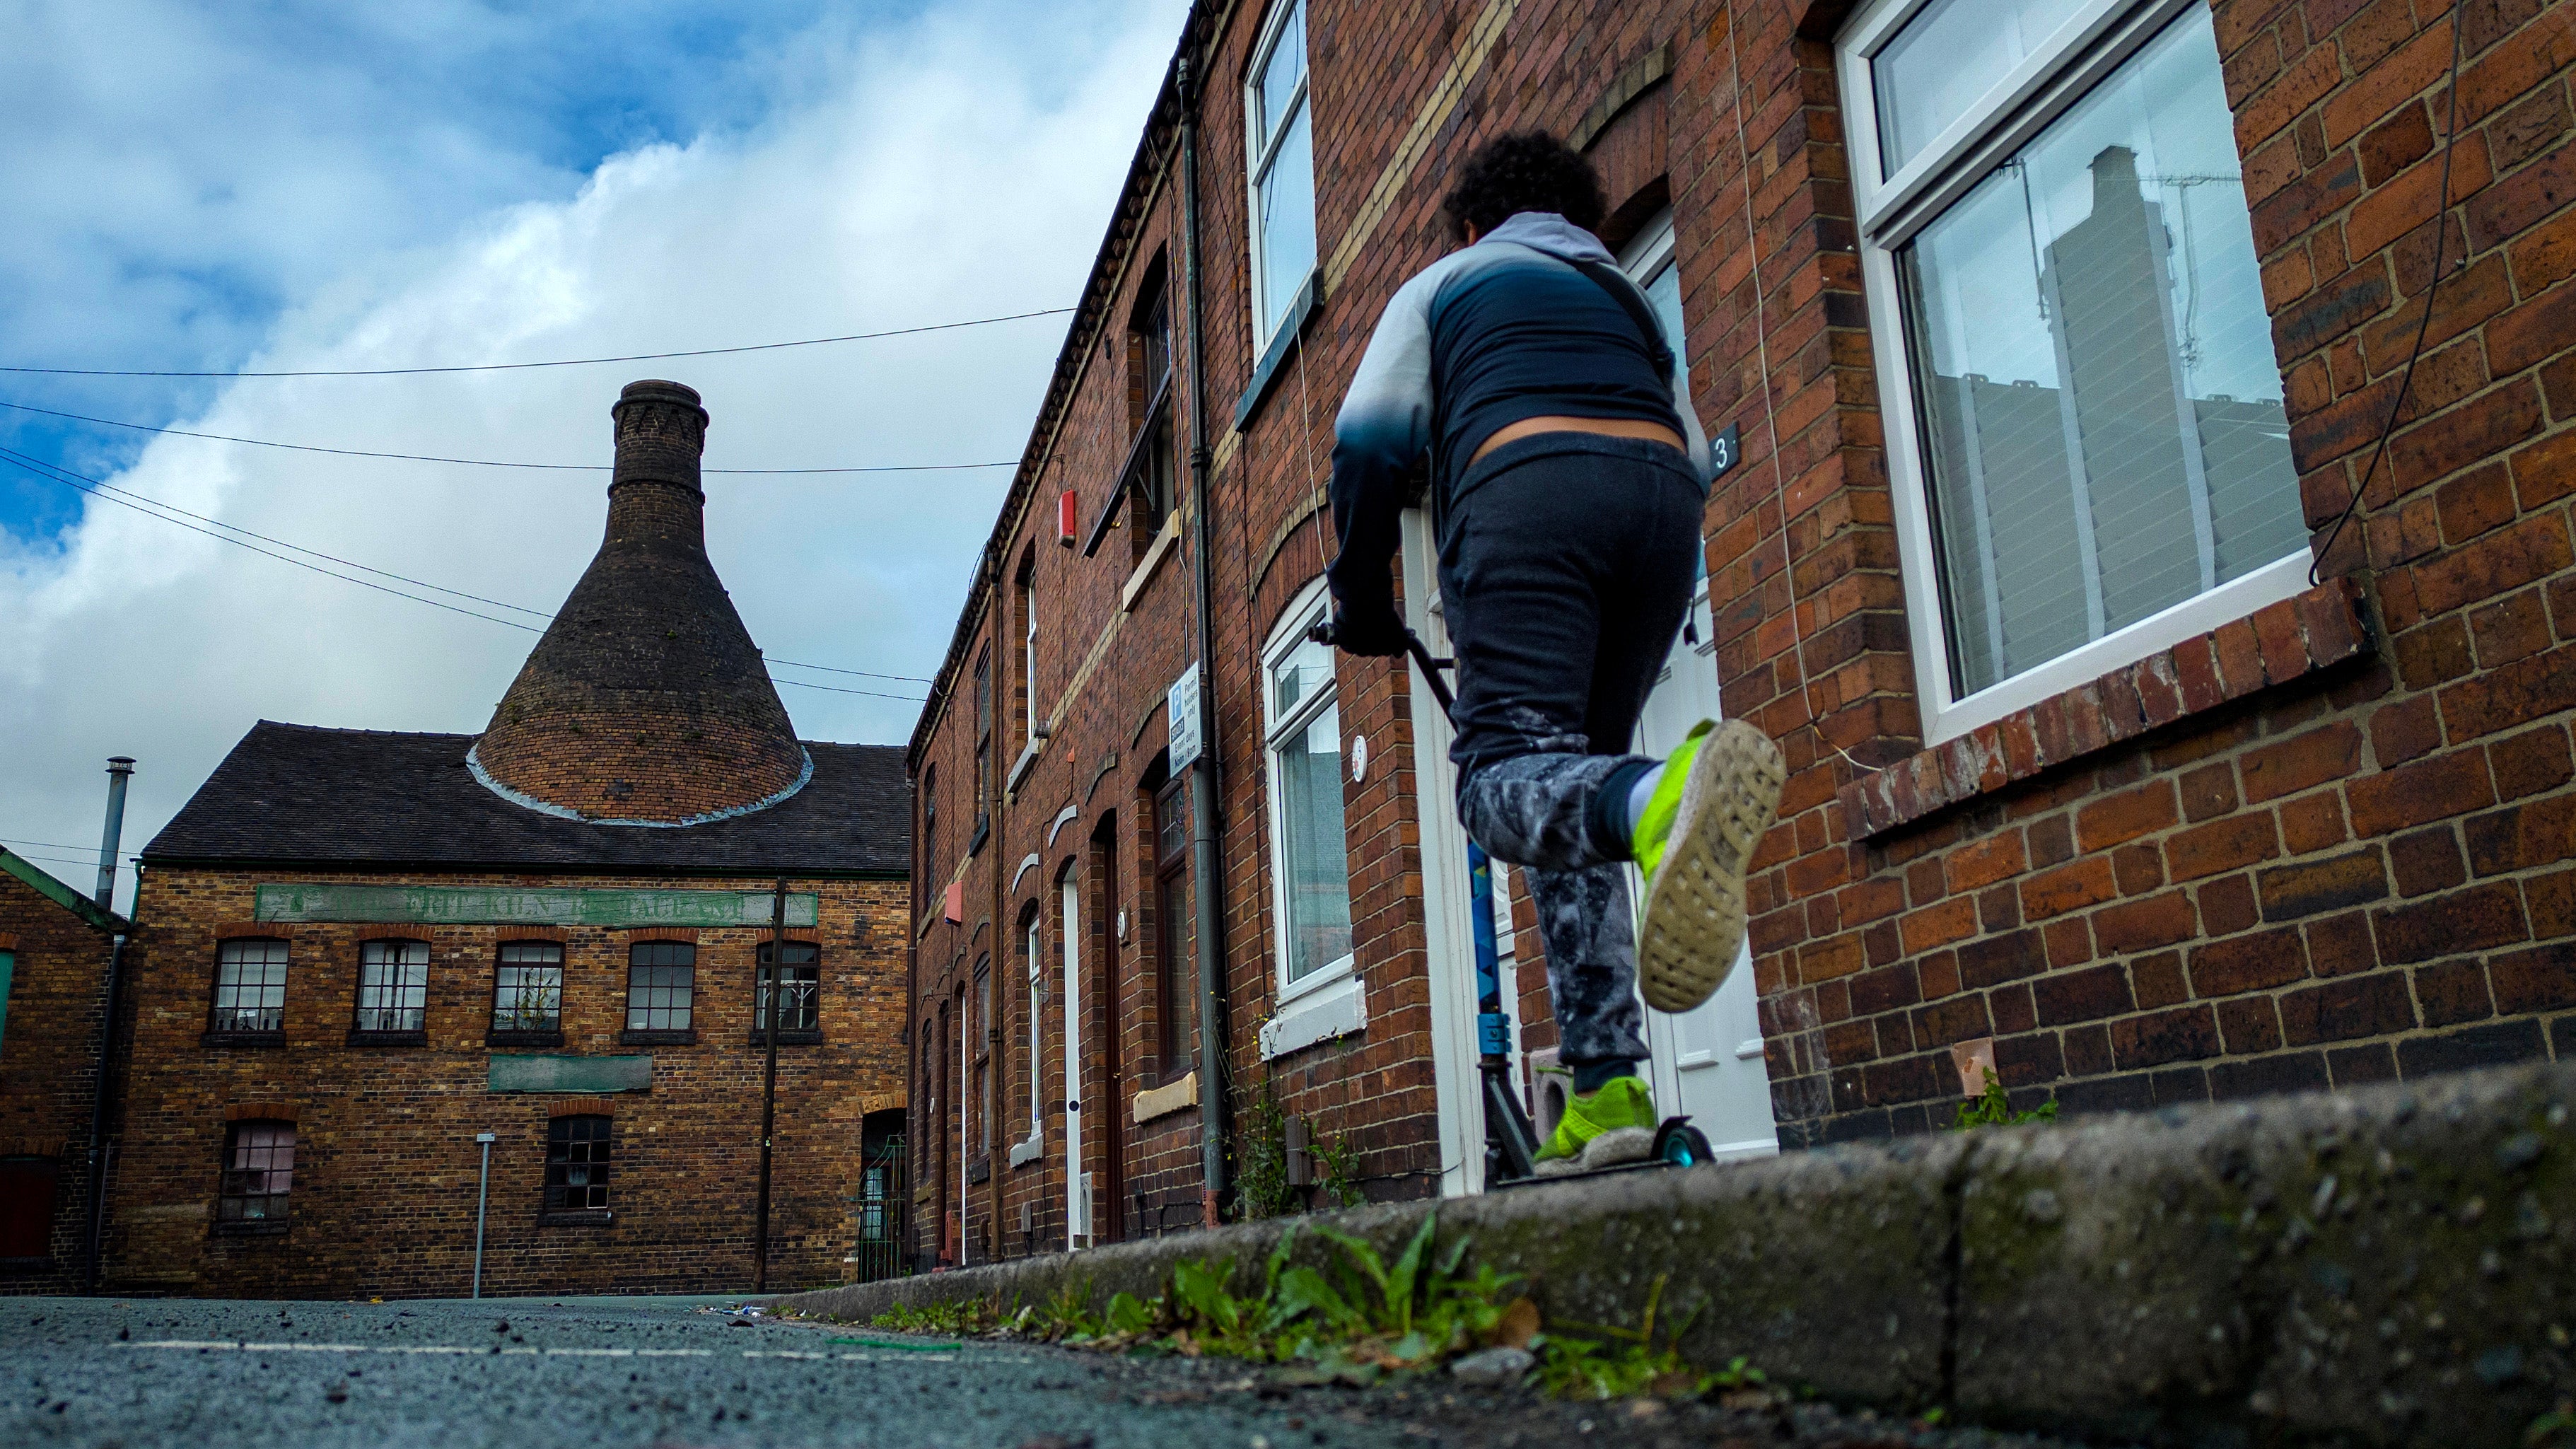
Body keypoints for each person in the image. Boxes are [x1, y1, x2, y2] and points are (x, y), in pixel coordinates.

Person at [1322, 132, 1786, 1175]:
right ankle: (1610, 1088)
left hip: (1530, 497)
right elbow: (1691, 445)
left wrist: (1359, 596)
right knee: (1574, 784)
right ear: (1577, 219)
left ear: (1476, 223)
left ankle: (1667, 797)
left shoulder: (1448, 279)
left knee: (1498, 783)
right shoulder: (1628, 299)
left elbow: (1367, 439)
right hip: (1663, 513)